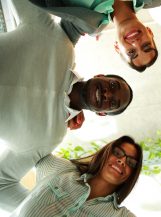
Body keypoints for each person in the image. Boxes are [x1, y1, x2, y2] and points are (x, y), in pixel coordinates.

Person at [0, 0, 133, 211]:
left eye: (113, 102)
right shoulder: (58, 43)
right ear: (101, 76)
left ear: (101, 114)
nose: (108, 93)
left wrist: (48, 210)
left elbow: (1, 185)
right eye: (113, 85)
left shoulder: (52, 136)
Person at [11, 135, 143, 217]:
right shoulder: (62, 169)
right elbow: (30, 142)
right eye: (118, 153)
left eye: (131, 162)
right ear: (106, 153)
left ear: (131, 176)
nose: (122, 161)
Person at [29, 0, 161, 72]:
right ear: (150, 32)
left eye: (131, 52)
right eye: (146, 45)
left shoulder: (88, 23)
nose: (136, 43)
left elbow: (61, 42)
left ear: (117, 47)